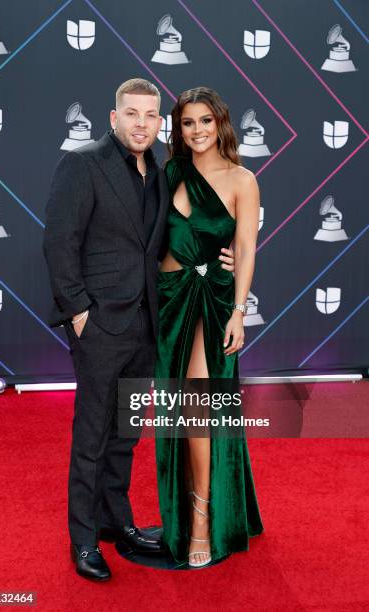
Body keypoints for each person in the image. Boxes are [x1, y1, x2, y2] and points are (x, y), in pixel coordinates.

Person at [43, 78, 236, 581]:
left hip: (149, 322)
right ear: (114, 118)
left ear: (159, 124)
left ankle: (117, 523)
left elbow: (183, 232)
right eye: (132, 114)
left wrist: (224, 254)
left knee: (126, 434)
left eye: (152, 116)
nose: (141, 124)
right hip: (100, 324)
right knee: (92, 436)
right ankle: (83, 541)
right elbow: (60, 244)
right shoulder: (82, 164)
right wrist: (80, 311)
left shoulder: (163, 172)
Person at [155, 87, 264, 568]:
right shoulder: (168, 173)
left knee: (198, 402)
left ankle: (200, 517)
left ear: (220, 123)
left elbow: (245, 250)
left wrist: (240, 309)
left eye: (205, 121)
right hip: (168, 301)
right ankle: (206, 504)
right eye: (187, 123)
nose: (197, 131)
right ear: (177, 130)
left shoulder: (243, 179)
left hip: (213, 302)